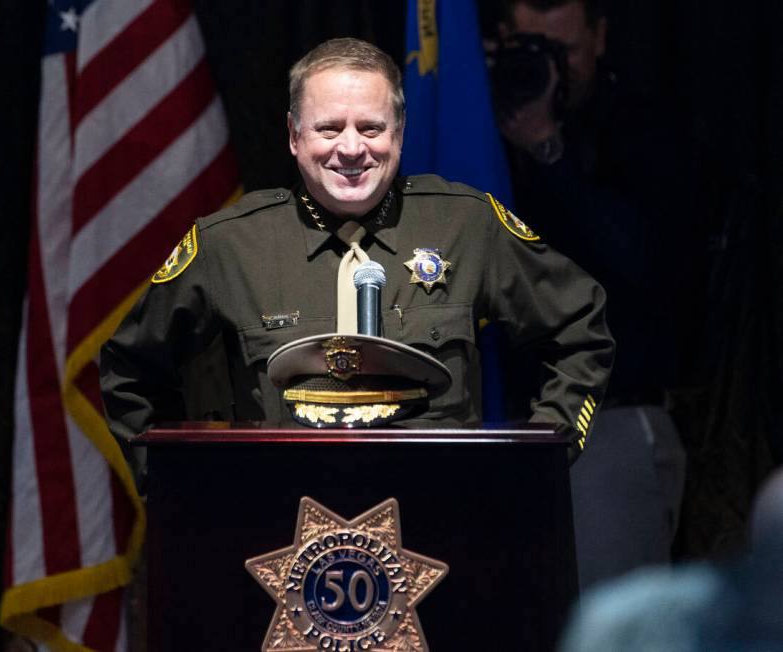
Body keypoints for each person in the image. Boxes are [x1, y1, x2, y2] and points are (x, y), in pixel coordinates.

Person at [99, 37, 614, 488]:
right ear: (294, 136)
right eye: (328, 128)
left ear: (400, 132)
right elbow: (129, 368)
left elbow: (580, 326)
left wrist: (545, 454)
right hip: (280, 531)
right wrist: (180, 486)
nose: (351, 149)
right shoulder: (229, 244)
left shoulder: (466, 225)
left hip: (439, 521)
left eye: (371, 127)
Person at [492, 0, 694, 589]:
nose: (551, 68)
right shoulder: (471, 124)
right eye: (531, 49)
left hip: (607, 420)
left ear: (600, 38)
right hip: (496, 420)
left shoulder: (644, 126)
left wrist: (546, 147)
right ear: (501, 40)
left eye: (565, 51)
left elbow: (644, 263)